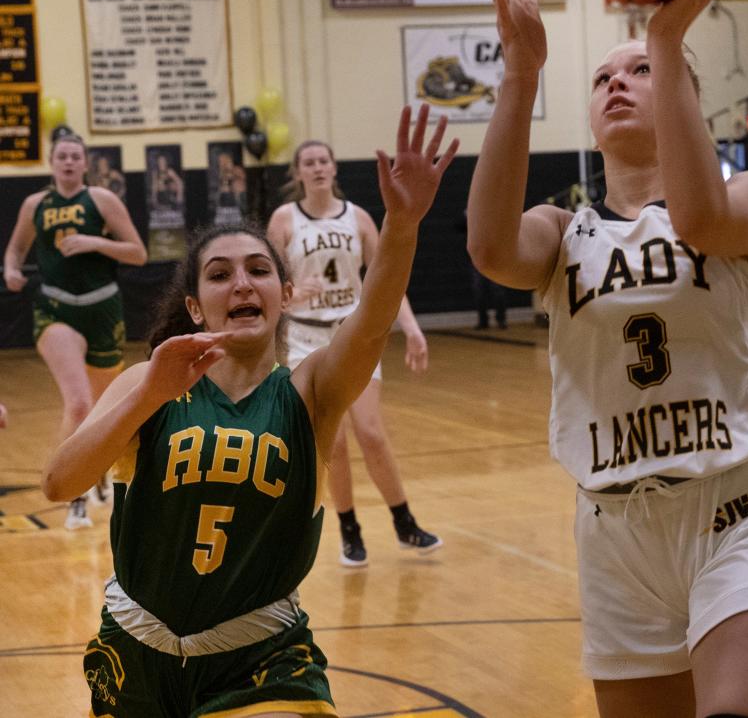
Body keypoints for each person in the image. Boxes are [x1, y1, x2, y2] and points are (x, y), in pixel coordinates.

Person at [468, 0, 748, 718]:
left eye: (641, 72)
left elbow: (697, 217)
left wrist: (667, 33)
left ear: (686, 99)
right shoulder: (565, 233)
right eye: (601, 78)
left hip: (736, 508)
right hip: (614, 529)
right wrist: (520, 78)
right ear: (590, 119)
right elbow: (489, 247)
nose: (617, 83)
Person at [41, 105, 457, 718]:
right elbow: (59, 482)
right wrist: (147, 397)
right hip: (136, 652)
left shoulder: (311, 388)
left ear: (285, 296)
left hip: (261, 658)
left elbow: (369, 324)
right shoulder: (149, 381)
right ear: (196, 306)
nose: (242, 283)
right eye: (220, 274)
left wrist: (403, 224)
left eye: (260, 270)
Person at [267, 138, 444, 568]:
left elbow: (386, 279)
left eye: (324, 160)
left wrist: (412, 327)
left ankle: (404, 521)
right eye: (308, 162)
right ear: (298, 173)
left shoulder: (358, 218)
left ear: (334, 167)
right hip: (304, 340)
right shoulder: (284, 220)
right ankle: (348, 528)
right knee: (336, 442)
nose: (317, 167)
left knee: (371, 431)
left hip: (351, 335)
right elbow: (266, 284)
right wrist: (290, 297)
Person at [4, 132, 147, 529]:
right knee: (80, 403)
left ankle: (100, 474)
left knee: (104, 409)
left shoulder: (102, 201)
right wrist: (12, 269)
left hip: (103, 308)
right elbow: (16, 249)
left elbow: (138, 252)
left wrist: (94, 243)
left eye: (75, 156)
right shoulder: (35, 205)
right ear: (52, 163)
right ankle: (75, 494)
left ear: (85, 163)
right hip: (55, 309)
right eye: (61, 156)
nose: (68, 162)